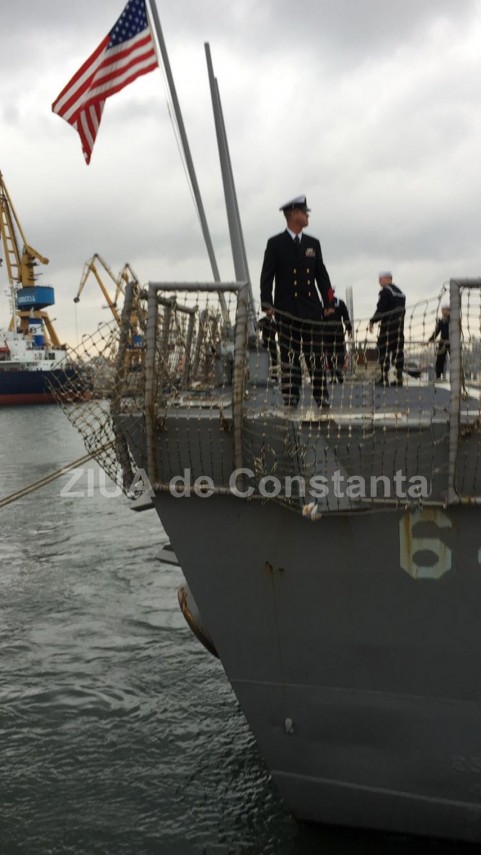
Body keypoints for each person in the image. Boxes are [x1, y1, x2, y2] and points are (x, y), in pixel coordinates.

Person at [260, 195, 334, 409]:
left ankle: (322, 396)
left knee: (316, 355)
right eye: (304, 212)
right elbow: (267, 275)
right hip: (286, 309)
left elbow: (322, 275)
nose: (307, 215)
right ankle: (291, 396)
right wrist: (267, 303)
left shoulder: (313, 244)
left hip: (310, 308)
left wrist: (328, 303)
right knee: (289, 355)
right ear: (293, 215)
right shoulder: (275, 244)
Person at [369, 271, 406, 387]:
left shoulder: (385, 291)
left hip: (387, 328)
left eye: (380, 279)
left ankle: (385, 377)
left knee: (383, 351)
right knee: (397, 353)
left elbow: (381, 308)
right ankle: (397, 378)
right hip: (399, 328)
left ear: (387, 279)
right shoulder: (401, 293)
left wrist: (372, 321)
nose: (379, 281)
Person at [323, 287, 352, 383]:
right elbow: (346, 316)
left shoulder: (322, 303)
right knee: (340, 350)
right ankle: (339, 368)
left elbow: (317, 316)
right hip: (338, 329)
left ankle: (333, 376)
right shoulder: (340, 302)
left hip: (326, 330)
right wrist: (349, 328)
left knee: (329, 353)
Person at [428, 304, 450, 379]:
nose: (442, 311)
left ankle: (456, 376)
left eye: (443, 310)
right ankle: (438, 376)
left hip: (451, 342)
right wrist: (430, 340)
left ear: (448, 310)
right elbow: (436, 332)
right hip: (442, 342)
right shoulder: (441, 321)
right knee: (440, 359)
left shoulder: (453, 320)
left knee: (455, 359)